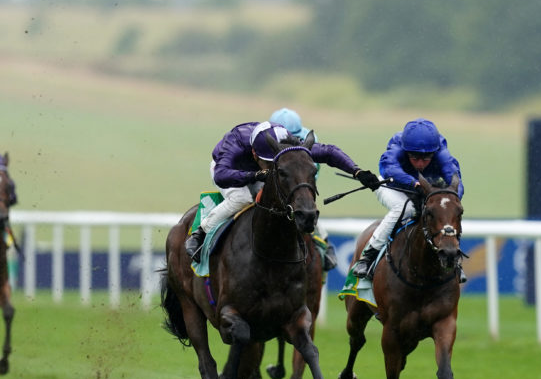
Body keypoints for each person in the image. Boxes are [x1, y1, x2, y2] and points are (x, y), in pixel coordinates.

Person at [185, 120, 380, 262]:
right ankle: (200, 233)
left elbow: (328, 152)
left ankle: (316, 243)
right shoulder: (234, 143)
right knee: (242, 197)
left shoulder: (288, 143)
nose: (271, 166)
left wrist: (357, 171)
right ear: (254, 154)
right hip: (231, 171)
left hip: (263, 172)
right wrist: (253, 176)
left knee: (288, 198)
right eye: (267, 163)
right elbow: (221, 175)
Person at [351, 118, 464, 280]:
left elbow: (455, 178)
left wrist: (453, 198)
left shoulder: (441, 151)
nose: (420, 164)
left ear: (434, 152)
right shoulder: (397, 146)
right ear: (406, 151)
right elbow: (389, 168)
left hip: (426, 188)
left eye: (426, 159)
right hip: (392, 185)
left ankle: (455, 259)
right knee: (405, 208)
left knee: (448, 209)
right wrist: (414, 183)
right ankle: (369, 256)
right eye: (414, 158)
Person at [269, 107, 336, 270]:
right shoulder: (264, 145)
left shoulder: (309, 148)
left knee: (309, 210)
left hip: (296, 192)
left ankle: (324, 246)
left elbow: (311, 178)